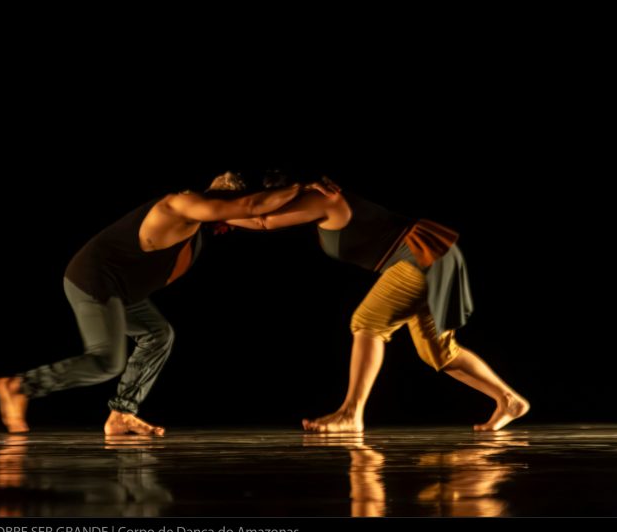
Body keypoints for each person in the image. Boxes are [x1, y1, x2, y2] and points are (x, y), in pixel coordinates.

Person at [0, 172, 304, 436]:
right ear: (225, 201)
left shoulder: (198, 225)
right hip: (95, 281)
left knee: (158, 334)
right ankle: (20, 386)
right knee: (106, 361)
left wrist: (306, 201)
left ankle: (122, 414)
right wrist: (299, 187)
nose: (232, 228)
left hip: (122, 291)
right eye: (231, 215)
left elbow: (260, 220)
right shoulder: (182, 205)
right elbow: (252, 208)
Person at [227, 176, 529, 432]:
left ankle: (351, 413)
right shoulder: (312, 204)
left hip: (422, 256)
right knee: (438, 352)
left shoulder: (320, 197)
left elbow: (261, 220)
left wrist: (215, 214)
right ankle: (510, 401)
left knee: (368, 322)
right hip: (431, 256)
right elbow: (262, 216)